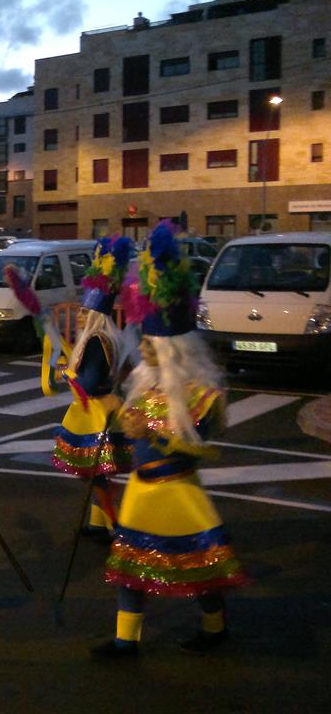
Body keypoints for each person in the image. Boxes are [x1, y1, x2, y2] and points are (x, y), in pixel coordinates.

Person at [93, 221, 248, 659]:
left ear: (174, 349)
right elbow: (133, 436)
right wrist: (117, 431)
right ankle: (126, 640)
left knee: (198, 566)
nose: (142, 349)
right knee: (131, 568)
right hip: (141, 491)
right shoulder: (145, 387)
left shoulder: (201, 396)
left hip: (179, 491)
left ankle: (215, 627)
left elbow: (203, 450)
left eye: (151, 344)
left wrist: (158, 436)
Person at [53, 235, 136, 541]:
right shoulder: (110, 337)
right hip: (108, 407)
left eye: (84, 313)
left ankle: (115, 526)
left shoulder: (96, 341)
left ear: (94, 316)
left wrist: (66, 374)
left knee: (97, 474)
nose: (79, 316)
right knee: (98, 473)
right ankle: (98, 523)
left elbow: (87, 383)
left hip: (95, 413)